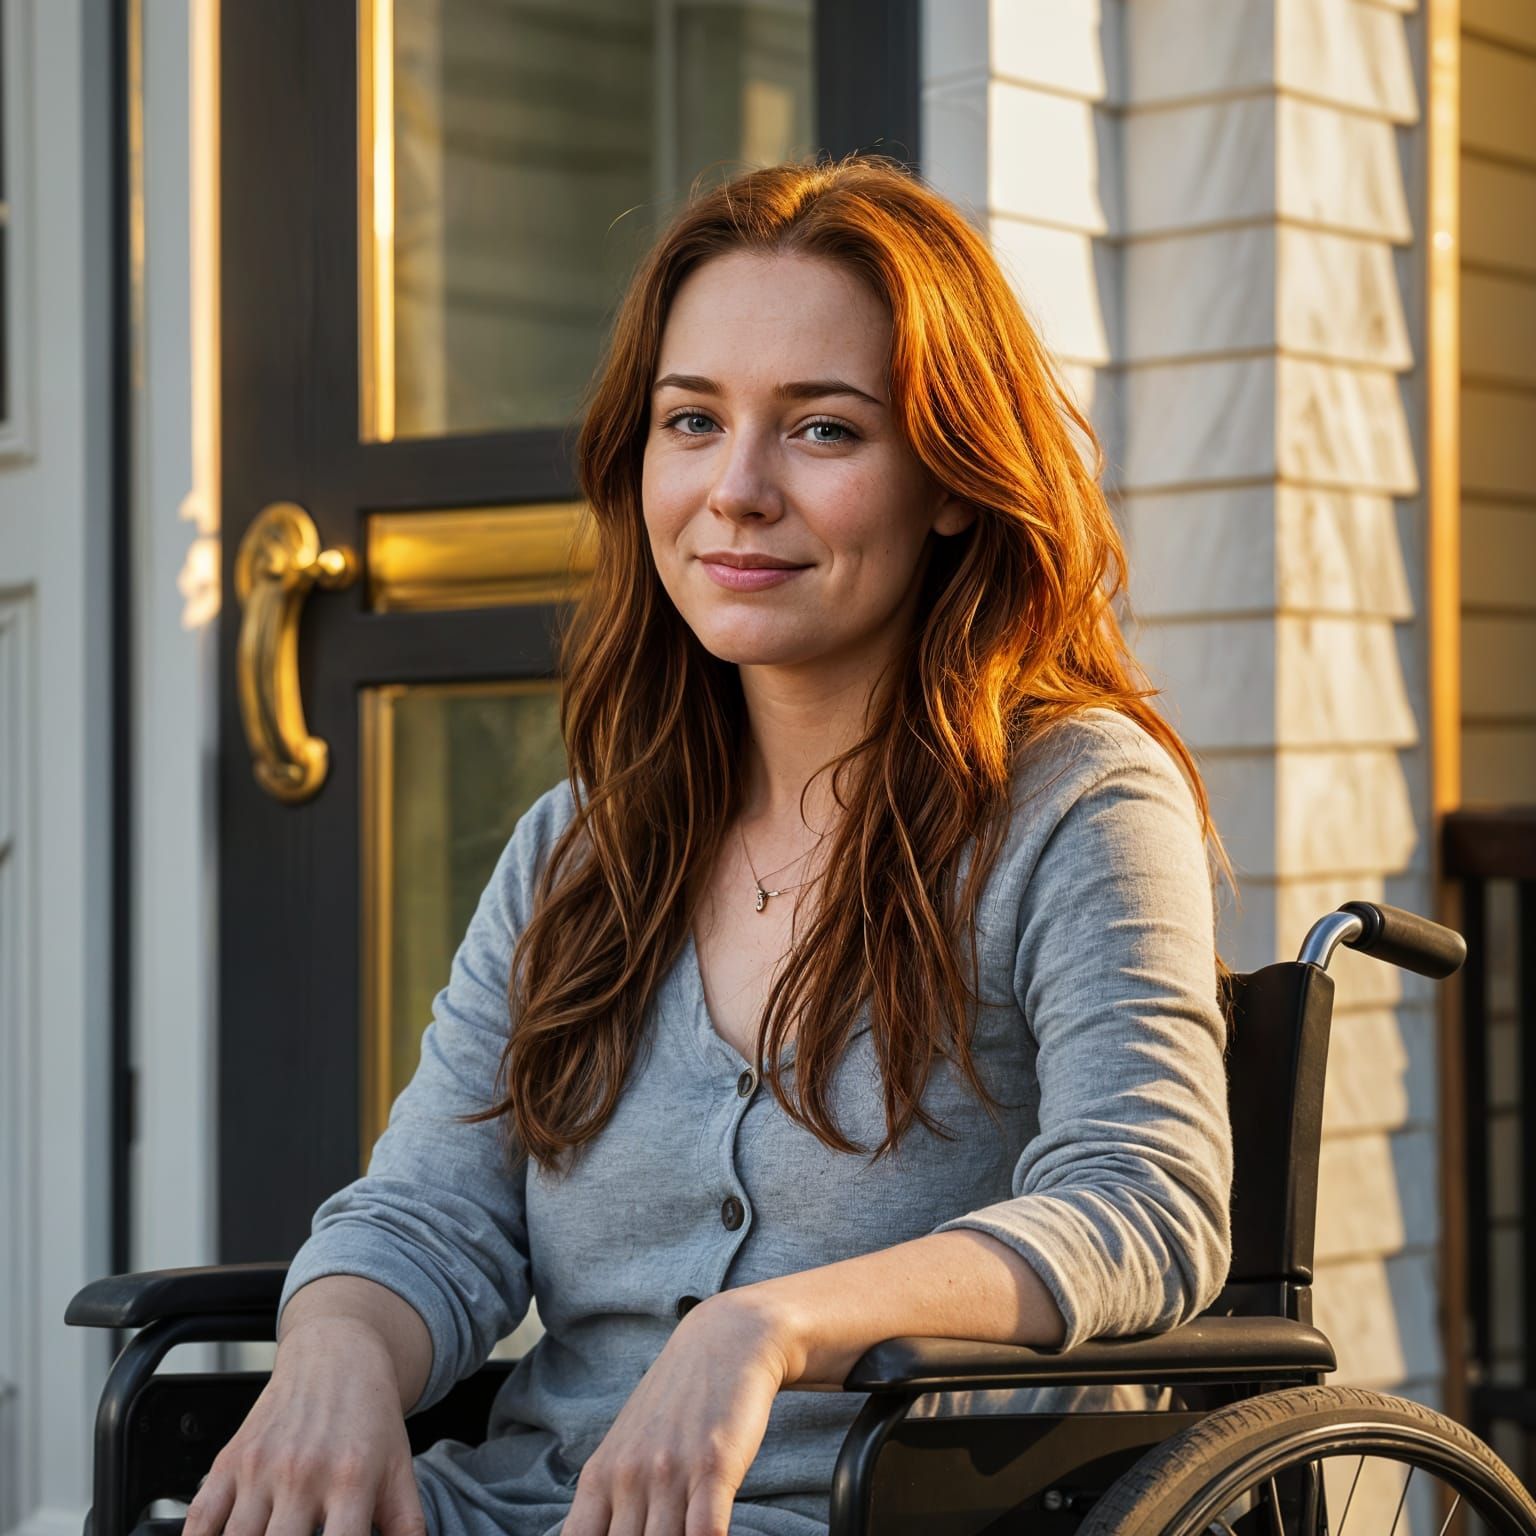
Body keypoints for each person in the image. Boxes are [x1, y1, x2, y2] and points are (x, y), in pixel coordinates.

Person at [183, 154, 1233, 1536]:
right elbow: (432, 1211)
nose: (737, 489)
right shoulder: (580, 848)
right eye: (692, 420)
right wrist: (333, 1353)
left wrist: (770, 1327)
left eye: (824, 430)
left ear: (953, 478)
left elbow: (1142, 1202)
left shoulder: (1076, 804)